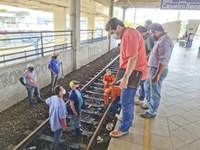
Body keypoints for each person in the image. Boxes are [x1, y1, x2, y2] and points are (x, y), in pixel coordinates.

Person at [105, 18, 148, 138]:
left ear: (119, 27)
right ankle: (127, 118)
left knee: (125, 100)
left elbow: (133, 58)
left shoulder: (129, 35)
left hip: (134, 72)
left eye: (113, 32)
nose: (113, 35)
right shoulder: (128, 34)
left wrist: (126, 77)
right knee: (127, 100)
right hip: (133, 70)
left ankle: (124, 128)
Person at [140, 23, 174, 118]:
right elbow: (154, 52)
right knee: (147, 86)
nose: (151, 35)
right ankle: (149, 104)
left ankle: (152, 111)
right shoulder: (160, 39)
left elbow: (163, 60)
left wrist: (157, 75)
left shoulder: (164, 41)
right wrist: (146, 59)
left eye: (152, 33)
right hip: (152, 69)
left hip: (156, 70)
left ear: (156, 31)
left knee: (155, 91)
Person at [135, 26, 154, 106]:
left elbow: (152, 51)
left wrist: (145, 59)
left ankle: (141, 99)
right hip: (142, 63)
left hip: (145, 64)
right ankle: (141, 94)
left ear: (142, 32)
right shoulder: (143, 38)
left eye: (138, 33)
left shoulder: (148, 39)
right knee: (141, 81)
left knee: (143, 81)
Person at [45, 85, 67, 150]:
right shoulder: (61, 103)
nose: (63, 90)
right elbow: (62, 118)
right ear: (60, 92)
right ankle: (56, 148)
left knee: (56, 135)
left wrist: (53, 108)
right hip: (58, 124)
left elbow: (47, 101)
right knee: (57, 137)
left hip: (52, 120)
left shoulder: (53, 97)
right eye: (62, 89)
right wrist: (64, 126)